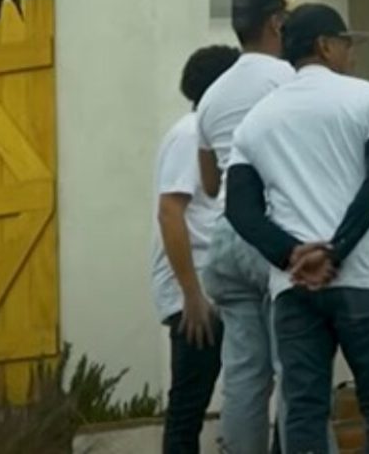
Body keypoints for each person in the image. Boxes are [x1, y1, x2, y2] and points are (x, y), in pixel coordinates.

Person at [226, 3, 369, 454]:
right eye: (347, 44)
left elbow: (240, 209)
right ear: (325, 46)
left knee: (305, 408)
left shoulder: (255, 121)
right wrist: (336, 250)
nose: (352, 54)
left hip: (294, 289)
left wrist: (292, 255)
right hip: (366, 278)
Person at [195, 0, 293, 454]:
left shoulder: (212, 95)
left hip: (225, 240)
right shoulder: (287, 78)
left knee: (244, 375)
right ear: (276, 22)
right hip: (272, 234)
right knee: (295, 367)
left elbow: (209, 182)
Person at [151, 44, 239, 454]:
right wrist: (192, 295)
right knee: (189, 406)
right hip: (197, 292)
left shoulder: (211, 135)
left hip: (217, 284)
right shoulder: (190, 134)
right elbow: (170, 212)